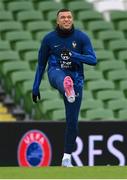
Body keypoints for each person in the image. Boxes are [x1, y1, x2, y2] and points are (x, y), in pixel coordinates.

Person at [32, 9, 97, 167]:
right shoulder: (49, 39)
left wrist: (74, 55)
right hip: (56, 73)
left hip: (77, 79)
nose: (66, 19)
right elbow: (41, 65)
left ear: (72, 20)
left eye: (69, 17)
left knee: (72, 121)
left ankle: (66, 158)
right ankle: (66, 85)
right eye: (63, 17)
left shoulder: (81, 37)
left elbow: (93, 60)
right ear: (57, 21)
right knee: (60, 76)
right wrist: (35, 86)